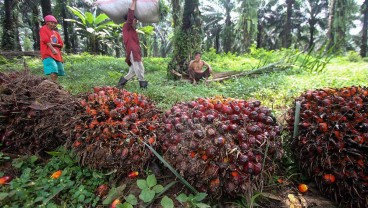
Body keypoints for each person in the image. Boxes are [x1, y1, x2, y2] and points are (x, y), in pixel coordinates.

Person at [117, 0, 148, 89]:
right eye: (135, 19)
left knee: (133, 72)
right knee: (140, 69)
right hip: (133, 51)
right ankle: (143, 87)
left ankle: (120, 84)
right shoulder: (127, 26)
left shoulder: (132, 30)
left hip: (135, 52)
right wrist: (134, 2)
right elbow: (130, 16)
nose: (136, 21)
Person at [39, 15, 65, 82]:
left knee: (57, 70)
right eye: (51, 23)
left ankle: (54, 83)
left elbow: (61, 44)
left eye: (55, 23)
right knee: (53, 68)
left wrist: (54, 45)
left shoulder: (56, 33)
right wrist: (53, 48)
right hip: (48, 53)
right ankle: (52, 84)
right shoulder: (43, 29)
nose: (53, 24)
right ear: (47, 23)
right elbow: (46, 40)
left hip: (57, 54)